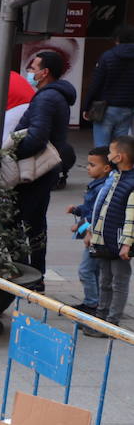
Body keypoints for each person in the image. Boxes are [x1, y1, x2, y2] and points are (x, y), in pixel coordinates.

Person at [14, 49, 75, 285]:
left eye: (33, 68)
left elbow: (37, 136)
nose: (30, 72)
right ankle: (35, 277)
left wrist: (13, 153)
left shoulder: (47, 97)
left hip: (37, 170)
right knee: (36, 223)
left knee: (17, 221)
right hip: (47, 170)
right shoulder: (55, 95)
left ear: (45, 72)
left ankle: (23, 276)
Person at [83, 135, 134, 333]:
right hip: (105, 239)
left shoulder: (130, 183)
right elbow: (101, 209)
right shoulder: (115, 178)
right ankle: (100, 317)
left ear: (119, 157)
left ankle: (112, 323)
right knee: (105, 280)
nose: (109, 155)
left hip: (120, 242)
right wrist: (92, 232)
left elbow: (131, 218)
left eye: (111, 152)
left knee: (118, 282)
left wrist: (127, 243)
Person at [70, 147, 116, 316]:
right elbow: (89, 209)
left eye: (92, 165)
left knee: (86, 270)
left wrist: (80, 226)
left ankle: (92, 303)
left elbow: (95, 214)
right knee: (95, 271)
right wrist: (76, 210)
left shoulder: (101, 188)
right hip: (95, 234)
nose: (88, 167)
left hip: (95, 235)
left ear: (106, 168)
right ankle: (95, 302)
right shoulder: (97, 185)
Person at [83, 25, 134, 147]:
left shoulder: (107, 56)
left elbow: (96, 83)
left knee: (101, 148)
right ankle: (117, 166)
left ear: (117, 39)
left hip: (105, 108)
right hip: (128, 107)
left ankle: (103, 166)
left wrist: (87, 106)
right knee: (120, 147)